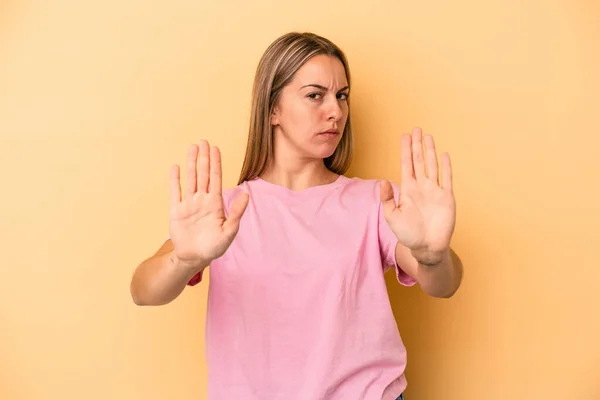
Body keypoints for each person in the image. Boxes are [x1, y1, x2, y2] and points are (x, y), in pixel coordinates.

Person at [130, 31, 463, 400]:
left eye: (341, 96)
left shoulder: (377, 201)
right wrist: (184, 259)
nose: (335, 111)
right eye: (315, 95)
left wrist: (433, 256)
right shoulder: (224, 212)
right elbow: (143, 291)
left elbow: (443, 284)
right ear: (272, 109)